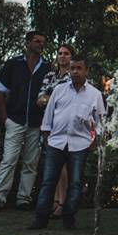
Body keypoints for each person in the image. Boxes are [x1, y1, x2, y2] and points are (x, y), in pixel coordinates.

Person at [30, 55, 105, 230]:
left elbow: (101, 121)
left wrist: (95, 141)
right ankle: (40, 218)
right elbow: (48, 116)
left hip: (80, 144)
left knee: (76, 183)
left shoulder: (95, 94)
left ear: (86, 70)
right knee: (48, 181)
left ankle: (69, 217)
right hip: (56, 142)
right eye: (72, 69)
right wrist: (47, 137)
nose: (75, 72)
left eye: (79, 68)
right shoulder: (59, 90)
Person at [0, 31, 51, 213]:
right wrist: (5, 116)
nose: (40, 44)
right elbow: (0, 91)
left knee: (31, 163)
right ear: (28, 42)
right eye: (37, 41)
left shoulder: (47, 67)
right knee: (9, 160)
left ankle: (24, 199)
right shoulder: (13, 64)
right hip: (14, 119)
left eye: (42, 42)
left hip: (36, 122)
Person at [36, 43, 74, 218]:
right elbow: (40, 98)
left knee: (63, 165)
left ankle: (62, 202)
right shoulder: (50, 75)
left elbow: (71, 99)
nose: (62, 56)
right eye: (60, 53)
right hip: (49, 124)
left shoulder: (73, 76)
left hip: (66, 126)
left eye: (66, 53)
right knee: (53, 165)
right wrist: (53, 99)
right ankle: (55, 200)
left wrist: (50, 98)